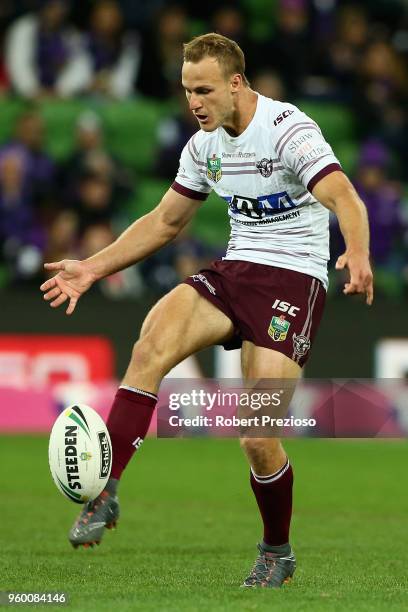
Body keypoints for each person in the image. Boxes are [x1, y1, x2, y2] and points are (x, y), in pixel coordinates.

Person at [40, 33, 373, 588]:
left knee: (257, 437)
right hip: (236, 269)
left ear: (236, 83)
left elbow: (344, 196)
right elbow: (167, 221)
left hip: (293, 278)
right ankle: (106, 493)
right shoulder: (203, 146)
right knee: (150, 344)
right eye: (187, 91)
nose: (194, 102)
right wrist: (94, 268)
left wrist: (357, 252)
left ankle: (276, 551)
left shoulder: (287, 129)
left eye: (204, 90)